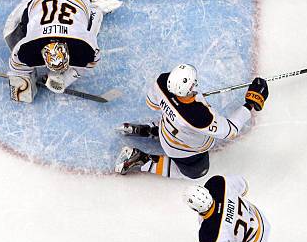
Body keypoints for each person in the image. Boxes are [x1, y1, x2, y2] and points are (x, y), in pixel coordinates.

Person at [114, 64, 268, 178]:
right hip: (182, 151)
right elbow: (230, 130)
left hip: (166, 130)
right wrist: (250, 104)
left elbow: (152, 104)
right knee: (197, 171)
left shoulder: (162, 82)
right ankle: (144, 160)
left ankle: (148, 130)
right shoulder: (199, 117)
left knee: (173, 122)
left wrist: (176, 105)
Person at [3, 0, 122, 102]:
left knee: (13, 36)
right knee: (11, 36)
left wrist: (65, 78)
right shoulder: (26, 49)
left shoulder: (82, 48)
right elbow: (87, 65)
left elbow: (17, 67)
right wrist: (24, 79)